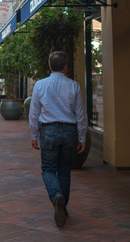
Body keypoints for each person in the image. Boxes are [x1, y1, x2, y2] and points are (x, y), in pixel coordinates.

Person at [28, 51, 87, 228]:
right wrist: (82, 136)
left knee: (48, 169)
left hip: (48, 130)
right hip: (69, 130)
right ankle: (63, 206)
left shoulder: (40, 85)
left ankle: (56, 197)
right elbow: (80, 114)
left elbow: (34, 113)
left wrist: (33, 134)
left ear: (50, 66)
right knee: (64, 170)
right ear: (66, 66)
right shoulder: (74, 86)